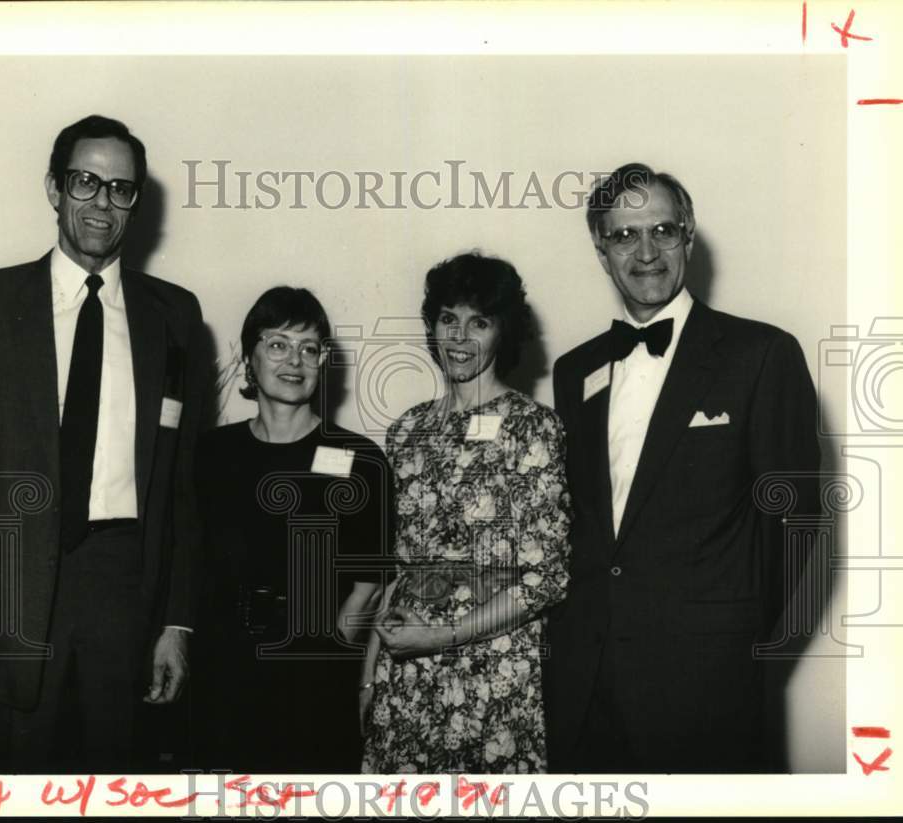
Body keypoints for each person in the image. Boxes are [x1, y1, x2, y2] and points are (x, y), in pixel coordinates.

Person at [0, 115, 209, 773]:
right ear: (54, 188)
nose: (103, 204)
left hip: (124, 587)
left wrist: (177, 622)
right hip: (12, 593)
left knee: (117, 781)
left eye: (121, 189)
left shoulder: (175, 315)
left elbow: (182, 488)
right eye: (86, 182)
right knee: (16, 780)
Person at [545, 163, 821, 773]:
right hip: (586, 680)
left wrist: (736, 643)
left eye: (662, 231)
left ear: (689, 237)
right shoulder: (574, 370)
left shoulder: (762, 354)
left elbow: (797, 524)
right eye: (623, 235)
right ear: (600, 250)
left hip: (707, 685)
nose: (645, 252)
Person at [362, 252, 571, 774]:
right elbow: (394, 572)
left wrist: (440, 637)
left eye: (479, 321)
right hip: (404, 673)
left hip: (492, 672)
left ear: (504, 332)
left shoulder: (533, 428)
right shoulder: (405, 431)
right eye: (448, 318)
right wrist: (368, 676)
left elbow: (547, 579)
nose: (459, 336)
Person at [191, 286, 393, 773]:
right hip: (224, 667)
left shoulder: (360, 460)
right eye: (278, 344)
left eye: (309, 348)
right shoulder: (210, 454)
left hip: (314, 671)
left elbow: (369, 584)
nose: (295, 360)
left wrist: (328, 661)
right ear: (250, 358)